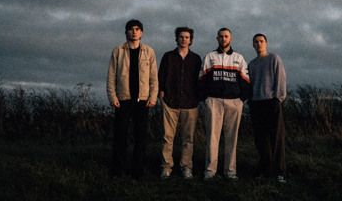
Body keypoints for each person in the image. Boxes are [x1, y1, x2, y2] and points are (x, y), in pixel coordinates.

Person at [106, 19, 158, 179]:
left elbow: (153, 77)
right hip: (123, 99)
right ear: (126, 32)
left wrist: (153, 96)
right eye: (131, 29)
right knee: (120, 136)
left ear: (141, 33)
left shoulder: (149, 52)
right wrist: (112, 96)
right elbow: (111, 76)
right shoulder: (118, 51)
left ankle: (138, 171)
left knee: (140, 137)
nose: (134, 32)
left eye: (137, 29)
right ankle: (118, 170)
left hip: (142, 100)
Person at [199, 27, 250, 180]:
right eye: (221, 36)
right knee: (212, 138)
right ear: (217, 38)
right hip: (213, 101)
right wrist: (206, 98)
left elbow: (246, 81)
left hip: (234, 102)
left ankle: (230, 171)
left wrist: (241, 99)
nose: (223, 39)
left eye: (226, 36)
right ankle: (210, 171)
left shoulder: (238, 58)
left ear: (230, 39)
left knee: (231, 138)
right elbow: (201, 80)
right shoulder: (210, 57)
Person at [158, 27, 202, 180]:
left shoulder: (196, 59)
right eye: (181, 37)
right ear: (176, 39)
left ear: (191, 40)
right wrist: (161, 92)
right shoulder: (168, 57)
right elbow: (161, 76)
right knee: (167, 137)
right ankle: (166, 167)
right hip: (170, 101)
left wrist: (198, 97)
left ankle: (186, 167)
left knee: (188, 138)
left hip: (190, 103)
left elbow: (200, 80)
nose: (184, 39)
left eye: (187, 37)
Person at [247, 33, 287, 183]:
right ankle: (265, 168)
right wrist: (250, 100)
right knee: (261, 139)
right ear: (253, 44)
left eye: (261, 41)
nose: (259, 44)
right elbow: (249, 84)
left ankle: (279, 171)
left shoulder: (274, 59)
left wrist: (278, 99)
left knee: (276, 138)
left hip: (272, 102)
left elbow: (281, 79)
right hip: (256, 103)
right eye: (256, 42)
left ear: (266, 43)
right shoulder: (251, 64)